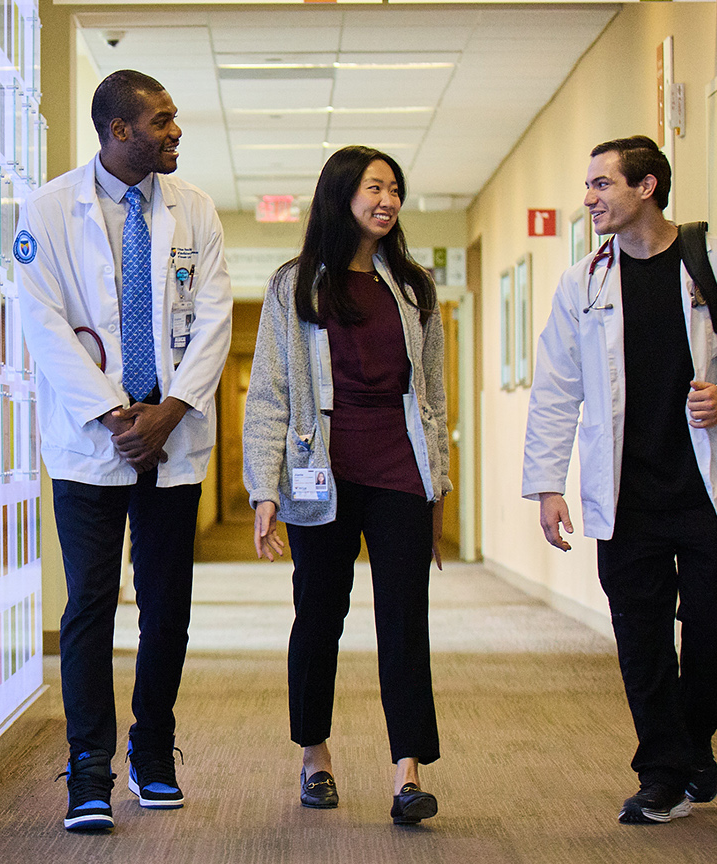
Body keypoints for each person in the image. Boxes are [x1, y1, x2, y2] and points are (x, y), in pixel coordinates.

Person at [522, 136, 717, 824]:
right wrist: (548, 485)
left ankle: (690, 730)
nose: (589, 199)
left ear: (645, 187)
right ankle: (662, 773)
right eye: (588, 186)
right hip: (626, 492)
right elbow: (555, 389)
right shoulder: (583, 280)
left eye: (601, 184)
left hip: (706, 484)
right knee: (640, 636)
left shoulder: (716, 262)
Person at [13, 69, 233, 833]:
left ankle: (153, 751)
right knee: (90, 607)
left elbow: (213, 321)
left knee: (166, 605)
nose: (175, 132)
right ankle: (87, 771)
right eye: (162, 121)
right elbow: (41, 325)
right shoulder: (46, 210)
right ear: (119, 131)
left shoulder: (195, 211)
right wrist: (116, 416)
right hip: (89, 444)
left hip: (170, 436)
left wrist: (165, 414)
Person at [243, 146, 452, 825]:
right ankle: (314, 754)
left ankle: (407, 774)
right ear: (341, 195)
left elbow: (433, 399)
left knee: (403, 621)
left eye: (394, 188)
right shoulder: (294, 286)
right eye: (373, 187)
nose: (387, 200)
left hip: (398, 470)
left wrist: (437, 486)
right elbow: (270, 395)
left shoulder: (414, 288)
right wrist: (262, 489)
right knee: (319, 616)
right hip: (320, 471)